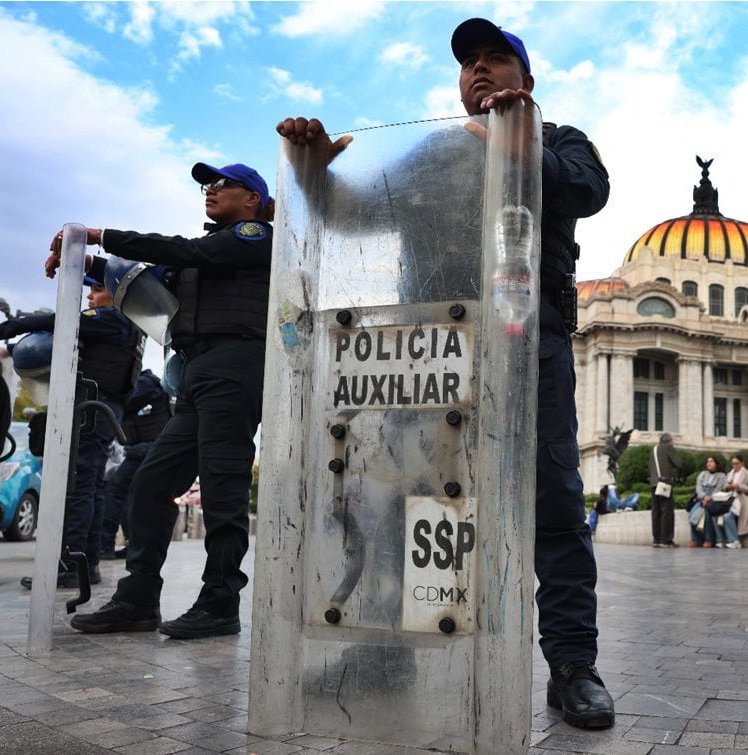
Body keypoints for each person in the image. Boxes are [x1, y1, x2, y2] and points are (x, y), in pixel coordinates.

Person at [276, 17, 614, 729]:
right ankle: (389, 649)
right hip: (430, 351)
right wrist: (313, 175)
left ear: (526, 81)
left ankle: (572, 667)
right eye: (469, 63)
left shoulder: (556, 139)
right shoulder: (431, 148)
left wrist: (515, 143)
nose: (479, 71)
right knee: (404, 502)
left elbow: (587, 191)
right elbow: (355, 213)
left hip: (527, 343)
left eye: (496, 60)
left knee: (552, 505)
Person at [54, 161, 272, 639]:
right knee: (150, 484)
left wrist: (102, 234)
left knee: (222, 487)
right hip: (195, 375)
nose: (209, 192)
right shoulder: (203, 254)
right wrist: (85, 263)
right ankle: (137, 599)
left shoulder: (256, 236)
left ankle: (220, 603)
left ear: (252, 197)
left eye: (220, 184)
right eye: (205, 186)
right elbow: (145, 280)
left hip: (235, 367)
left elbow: (184, 250)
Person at [0, 276, 144, 588]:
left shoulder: (112, 319)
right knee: (91, 487)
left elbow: (58, 321)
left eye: (97, 291)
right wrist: (13, 349)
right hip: (103, 407)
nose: (90, 298)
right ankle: (86, 564)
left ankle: (70, 564)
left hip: (91, 407)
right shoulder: (126, 326)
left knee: (78, 485)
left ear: (117, 294)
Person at [98, 369, 171, 559]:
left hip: (145, 449)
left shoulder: (147, 383)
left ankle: (105, 544)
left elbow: (127, 400)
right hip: (145, 449)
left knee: (115, 493)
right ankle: (133, 545)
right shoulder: (151, 384)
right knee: (131, 497)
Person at [706, 454, 748, 549]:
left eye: (737, 464)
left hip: (741, 500)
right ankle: (721, 540)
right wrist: (728, 487)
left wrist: (739, 486)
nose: (735, 466)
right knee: (715, 514)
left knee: (727, 516)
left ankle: (735, 540)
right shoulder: (730, 474)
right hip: (728, 500)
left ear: (742, 463)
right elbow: (724, 487)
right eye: (733, 464)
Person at [648, 433, 685, 548]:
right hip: (664, 483)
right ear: (669, 441)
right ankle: (666, 540)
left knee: (656, 511)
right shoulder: (668, 448)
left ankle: (656, 539)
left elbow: (649, 467)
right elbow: (679, 463)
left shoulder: (653, 449)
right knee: (667, 511)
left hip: (654, 483)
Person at [689, 455, 727, 548]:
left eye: (711, 461)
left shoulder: (721, 476)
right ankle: (695, 539)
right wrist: (704, 497)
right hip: (702, 499)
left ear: (716, 464)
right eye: (708, 461)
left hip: (714, 500)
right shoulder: (702, 474)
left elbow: (718, 489)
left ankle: (708, 539)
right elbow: (699, 487)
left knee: (707, 514)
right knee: (692, 514)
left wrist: (709, 498)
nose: (708, 463)